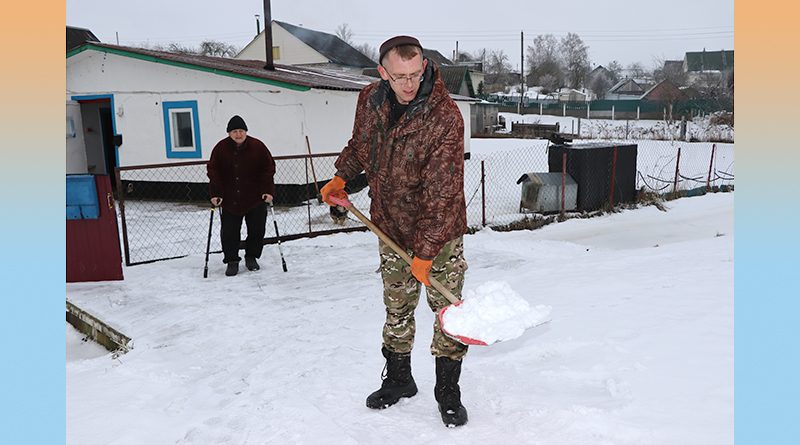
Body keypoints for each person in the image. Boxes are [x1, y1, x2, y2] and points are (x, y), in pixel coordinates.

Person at [320, 35, 469, 427]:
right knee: (397, 306)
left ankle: (447, 391)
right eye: (399, 76)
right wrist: (341, 176)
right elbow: (361, 146)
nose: (409, 84)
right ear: (383, 73)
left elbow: (442, 192)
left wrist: (426, 251)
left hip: (439, 232)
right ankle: (401, 379)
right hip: (390, 224)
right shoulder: (370, 99)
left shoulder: (445, 116)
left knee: (447, 311)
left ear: (424, 68)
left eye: (416, 74)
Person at [207, 115, 276, 277]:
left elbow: (269, 168)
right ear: (229, 133)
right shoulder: (220, 148)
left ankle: (251, 257)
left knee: (257, 229)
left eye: (241, 131)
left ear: (245, 131)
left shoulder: (257, 146)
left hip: (255, 197)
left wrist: (268, 190)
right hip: (230, 198)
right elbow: (213, 171)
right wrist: (216, 193)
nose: (238, 134)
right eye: (234, 131)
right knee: (229, 232)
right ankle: (232, 261)